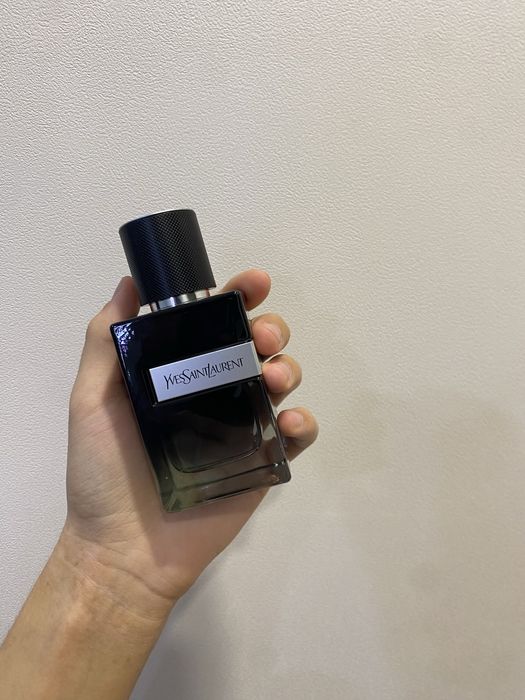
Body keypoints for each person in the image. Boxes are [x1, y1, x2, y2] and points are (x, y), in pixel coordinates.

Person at [0, 269, 318, 700]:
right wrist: (107, 560)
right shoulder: (135, 337)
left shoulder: (220, 313)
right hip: (150, 514)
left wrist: (115, 575)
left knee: (265, 360)